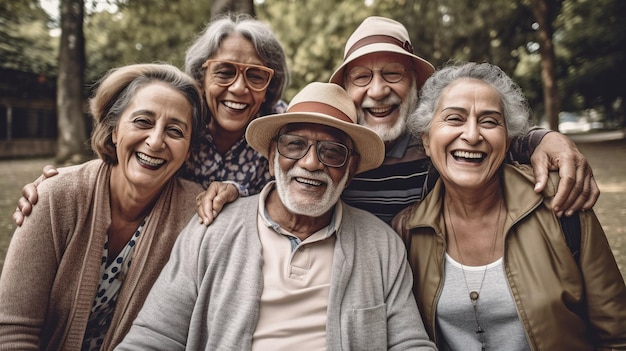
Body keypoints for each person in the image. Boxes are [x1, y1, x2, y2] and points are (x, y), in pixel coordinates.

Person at [115, 82, 437, 350]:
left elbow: (409, 342)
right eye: (295, 145)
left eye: (332, 152)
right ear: (271, 159)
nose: (311, 163)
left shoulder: (381, 244)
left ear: (350, 170)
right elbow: (155, 336)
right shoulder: (211, 229)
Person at [392, 62, 626, 350]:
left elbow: (617, 336)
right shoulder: (408, 231)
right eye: (454, 119)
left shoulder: (560, 202)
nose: (473, 135)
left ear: (508, 139)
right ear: (427, 140)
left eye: (489, 121)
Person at [12, 13, 289, 226]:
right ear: (201, 78)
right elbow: (128, 157)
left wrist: (237, 193)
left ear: (269, 88)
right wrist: (58, 188)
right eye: (224, 71)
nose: (239, 88)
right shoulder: (180, 120)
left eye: (255, 75)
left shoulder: (283, 131)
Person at [0, 63, 206, 350]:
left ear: (189, 149)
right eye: (143, 121)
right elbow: (12, 332)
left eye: (174, 131)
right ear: (113, 130)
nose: (156, 141)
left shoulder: (197, 217)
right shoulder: (55, 198)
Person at [329, 16, 600, 223]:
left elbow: (498, 138)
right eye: (361, 77)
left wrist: (549, 140)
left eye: (393, 74)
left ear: (415, 83)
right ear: (345, 88)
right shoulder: (329, 150)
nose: (377, 91)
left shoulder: (438, 140)